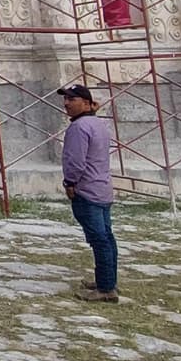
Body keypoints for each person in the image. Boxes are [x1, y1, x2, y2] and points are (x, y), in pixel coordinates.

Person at [58, 84, 118, 303]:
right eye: (65, 99)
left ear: (85, 102)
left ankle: (105, 288)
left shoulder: (79, 128)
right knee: (107, 238)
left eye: (71, 99)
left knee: (99, 240)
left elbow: (75, 160)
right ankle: (108, 280)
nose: (66, 103)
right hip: (102, 187)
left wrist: (70, 182)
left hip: (87, 190)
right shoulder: (98, 124)